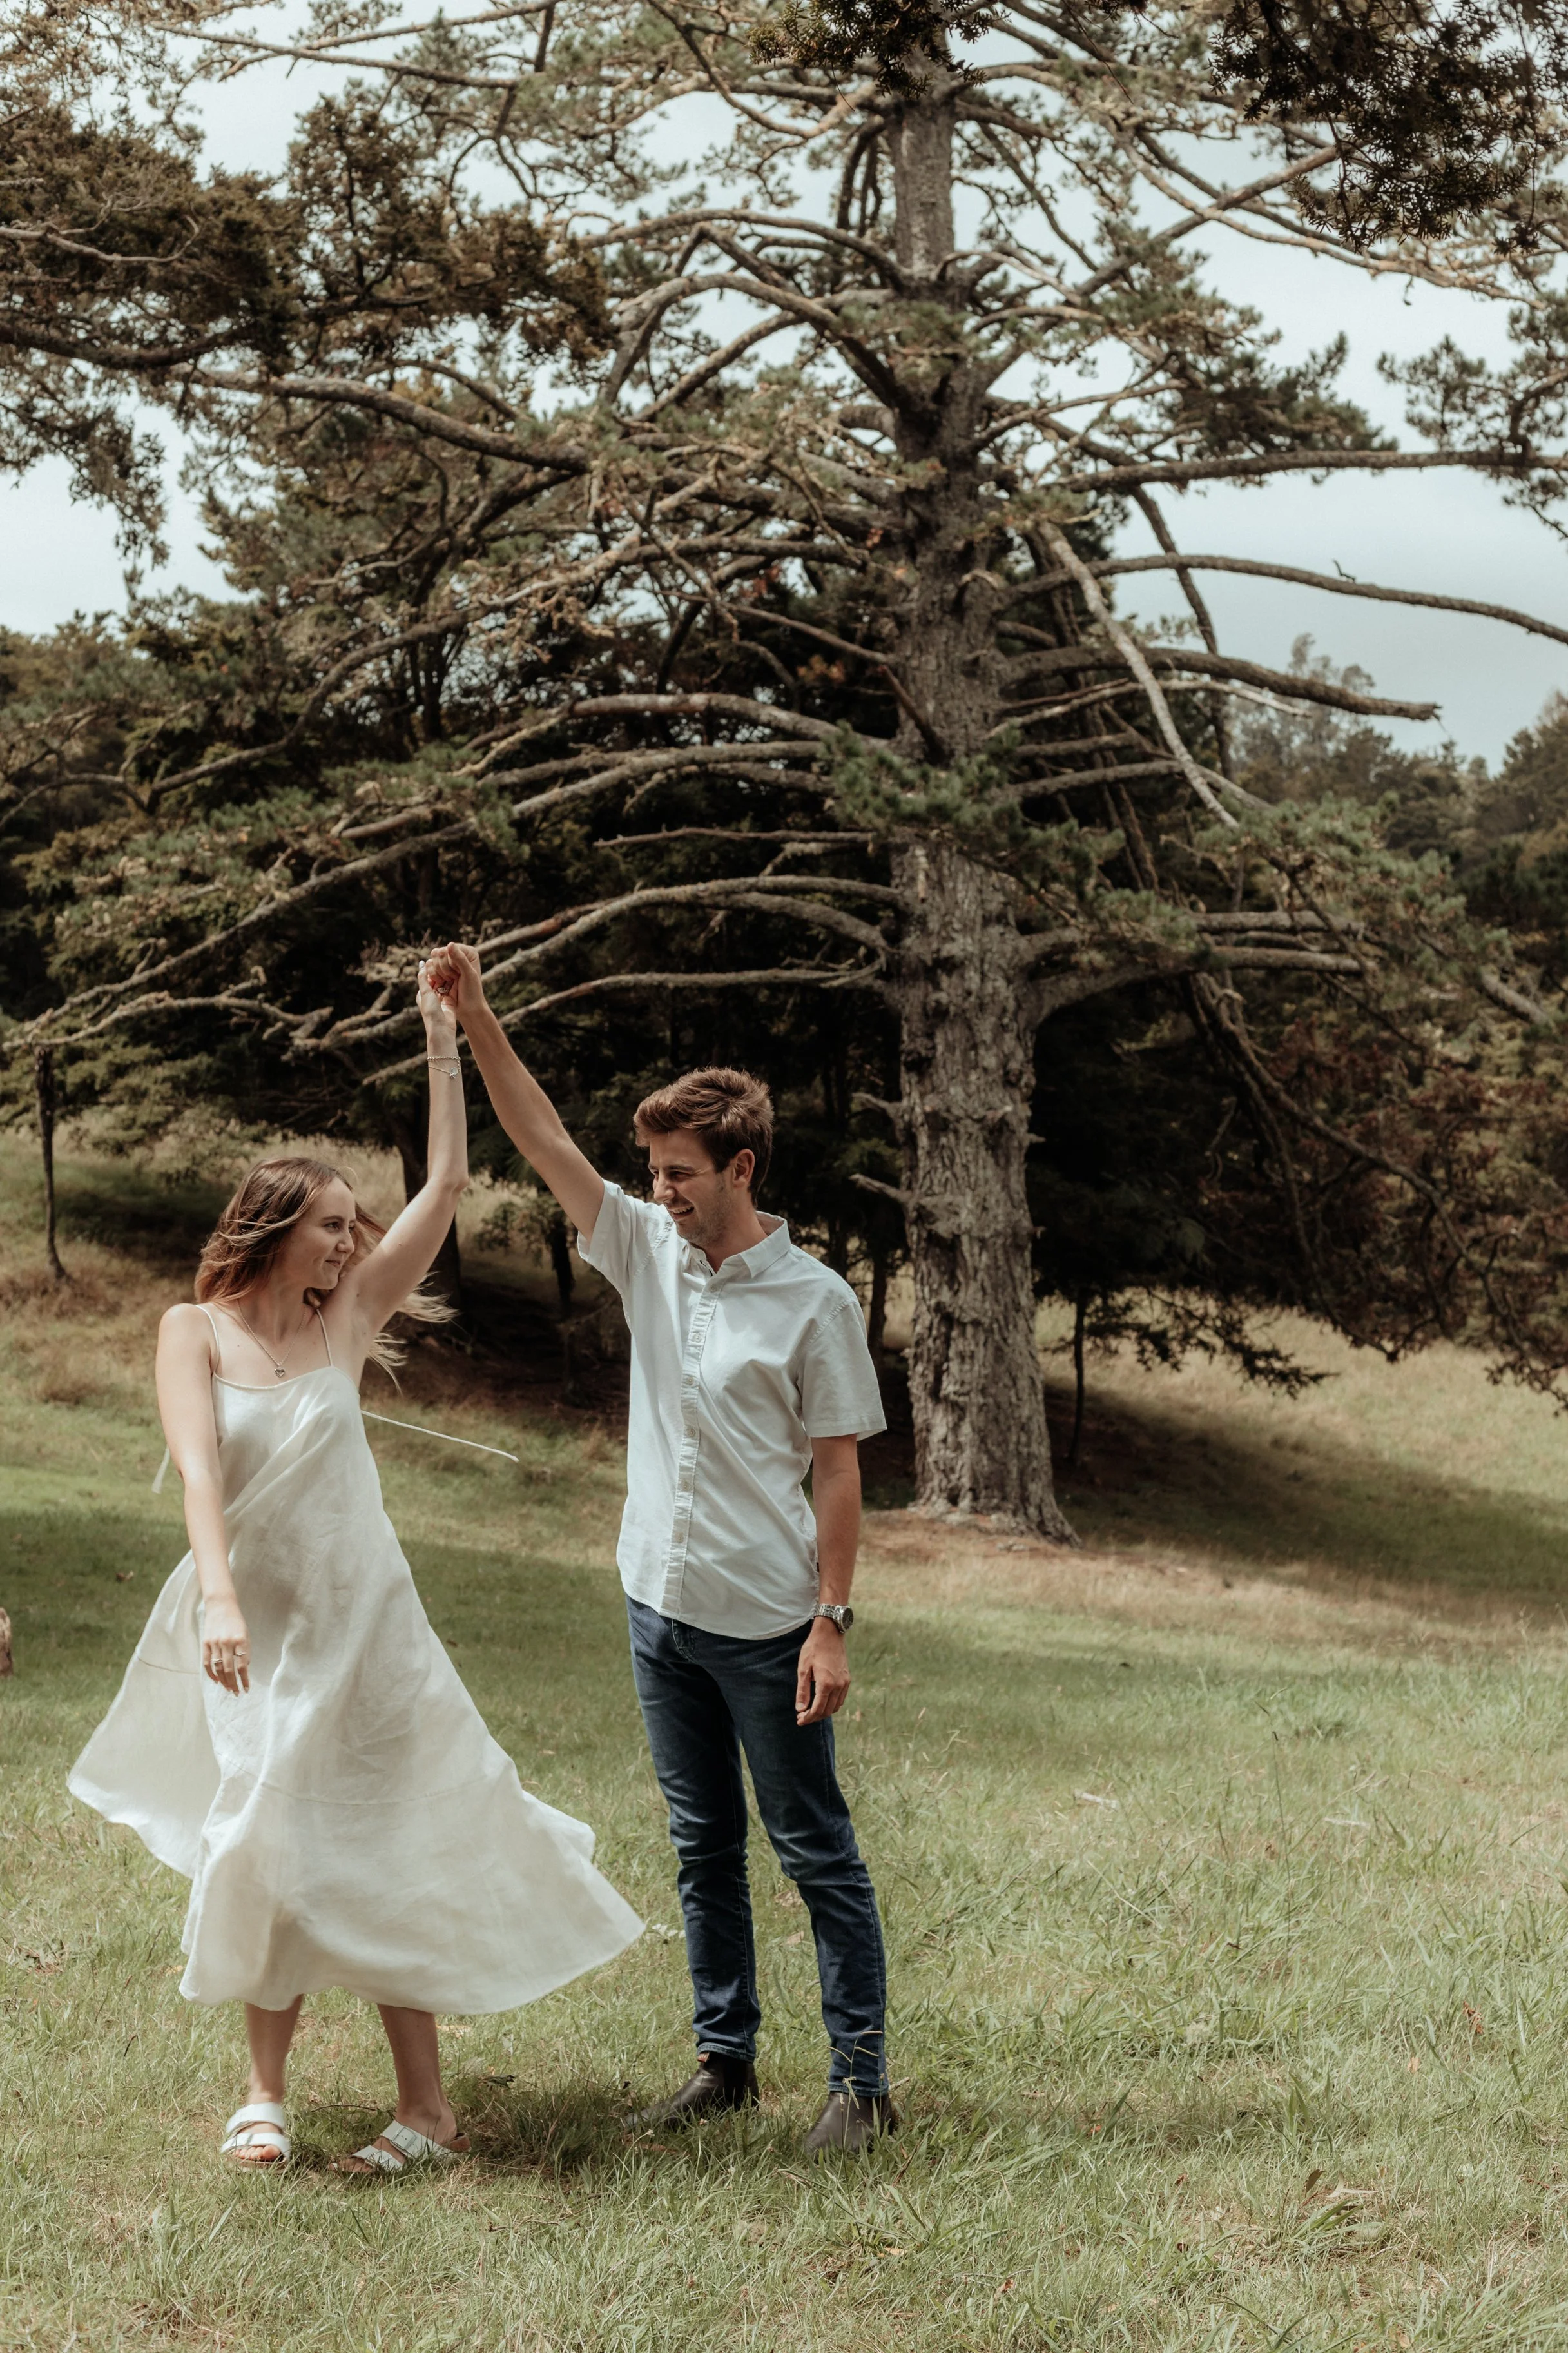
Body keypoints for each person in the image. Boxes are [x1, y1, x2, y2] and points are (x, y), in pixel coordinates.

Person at [68, 962, 641, 2173]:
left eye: (355, 1227)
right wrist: (220, 1597)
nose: (353, 1240)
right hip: (253, 1629)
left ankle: (427, 2108)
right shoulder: (196, 1330)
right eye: (333, 1222)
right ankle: (264, 2093)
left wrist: (442, 1038)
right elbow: (200, 1478)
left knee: (391, 1835)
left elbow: (449, 1184)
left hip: (370, 1625)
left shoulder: (349, 1321)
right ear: (277, 1221)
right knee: (265, 1833)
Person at [425, 942, 896, 2154]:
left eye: (682, 1173)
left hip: (768, 1624)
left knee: (813, 1850)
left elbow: (840, 1470)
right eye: (653, 1172)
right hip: (658, 1606)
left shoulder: (817, 1303)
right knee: (702, 1847)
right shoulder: (647, 1252)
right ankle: (725, 2062)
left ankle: (862, 2083)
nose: (663, 1190)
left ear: (742, 1167)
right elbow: (539, 1140)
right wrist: (476, 1013)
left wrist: (831, 1620)